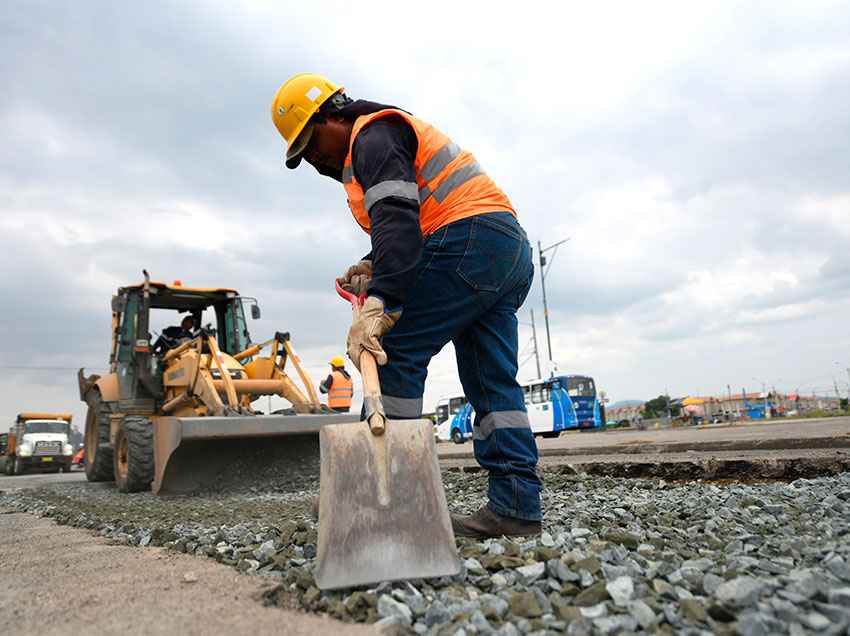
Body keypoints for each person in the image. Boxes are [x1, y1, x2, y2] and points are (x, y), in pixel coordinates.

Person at [271, 73, 542, 538]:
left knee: (391, 353)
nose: (314, 160)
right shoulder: (384, 137)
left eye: (311, 143)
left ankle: (379, 500)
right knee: (492, 380)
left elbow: (398, 220)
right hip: (505, 248)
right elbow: (410, 224)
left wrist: (382, 303)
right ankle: (516, 507)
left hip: (469, 239)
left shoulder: (373, 137)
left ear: (333, 115)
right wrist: (374, 262)